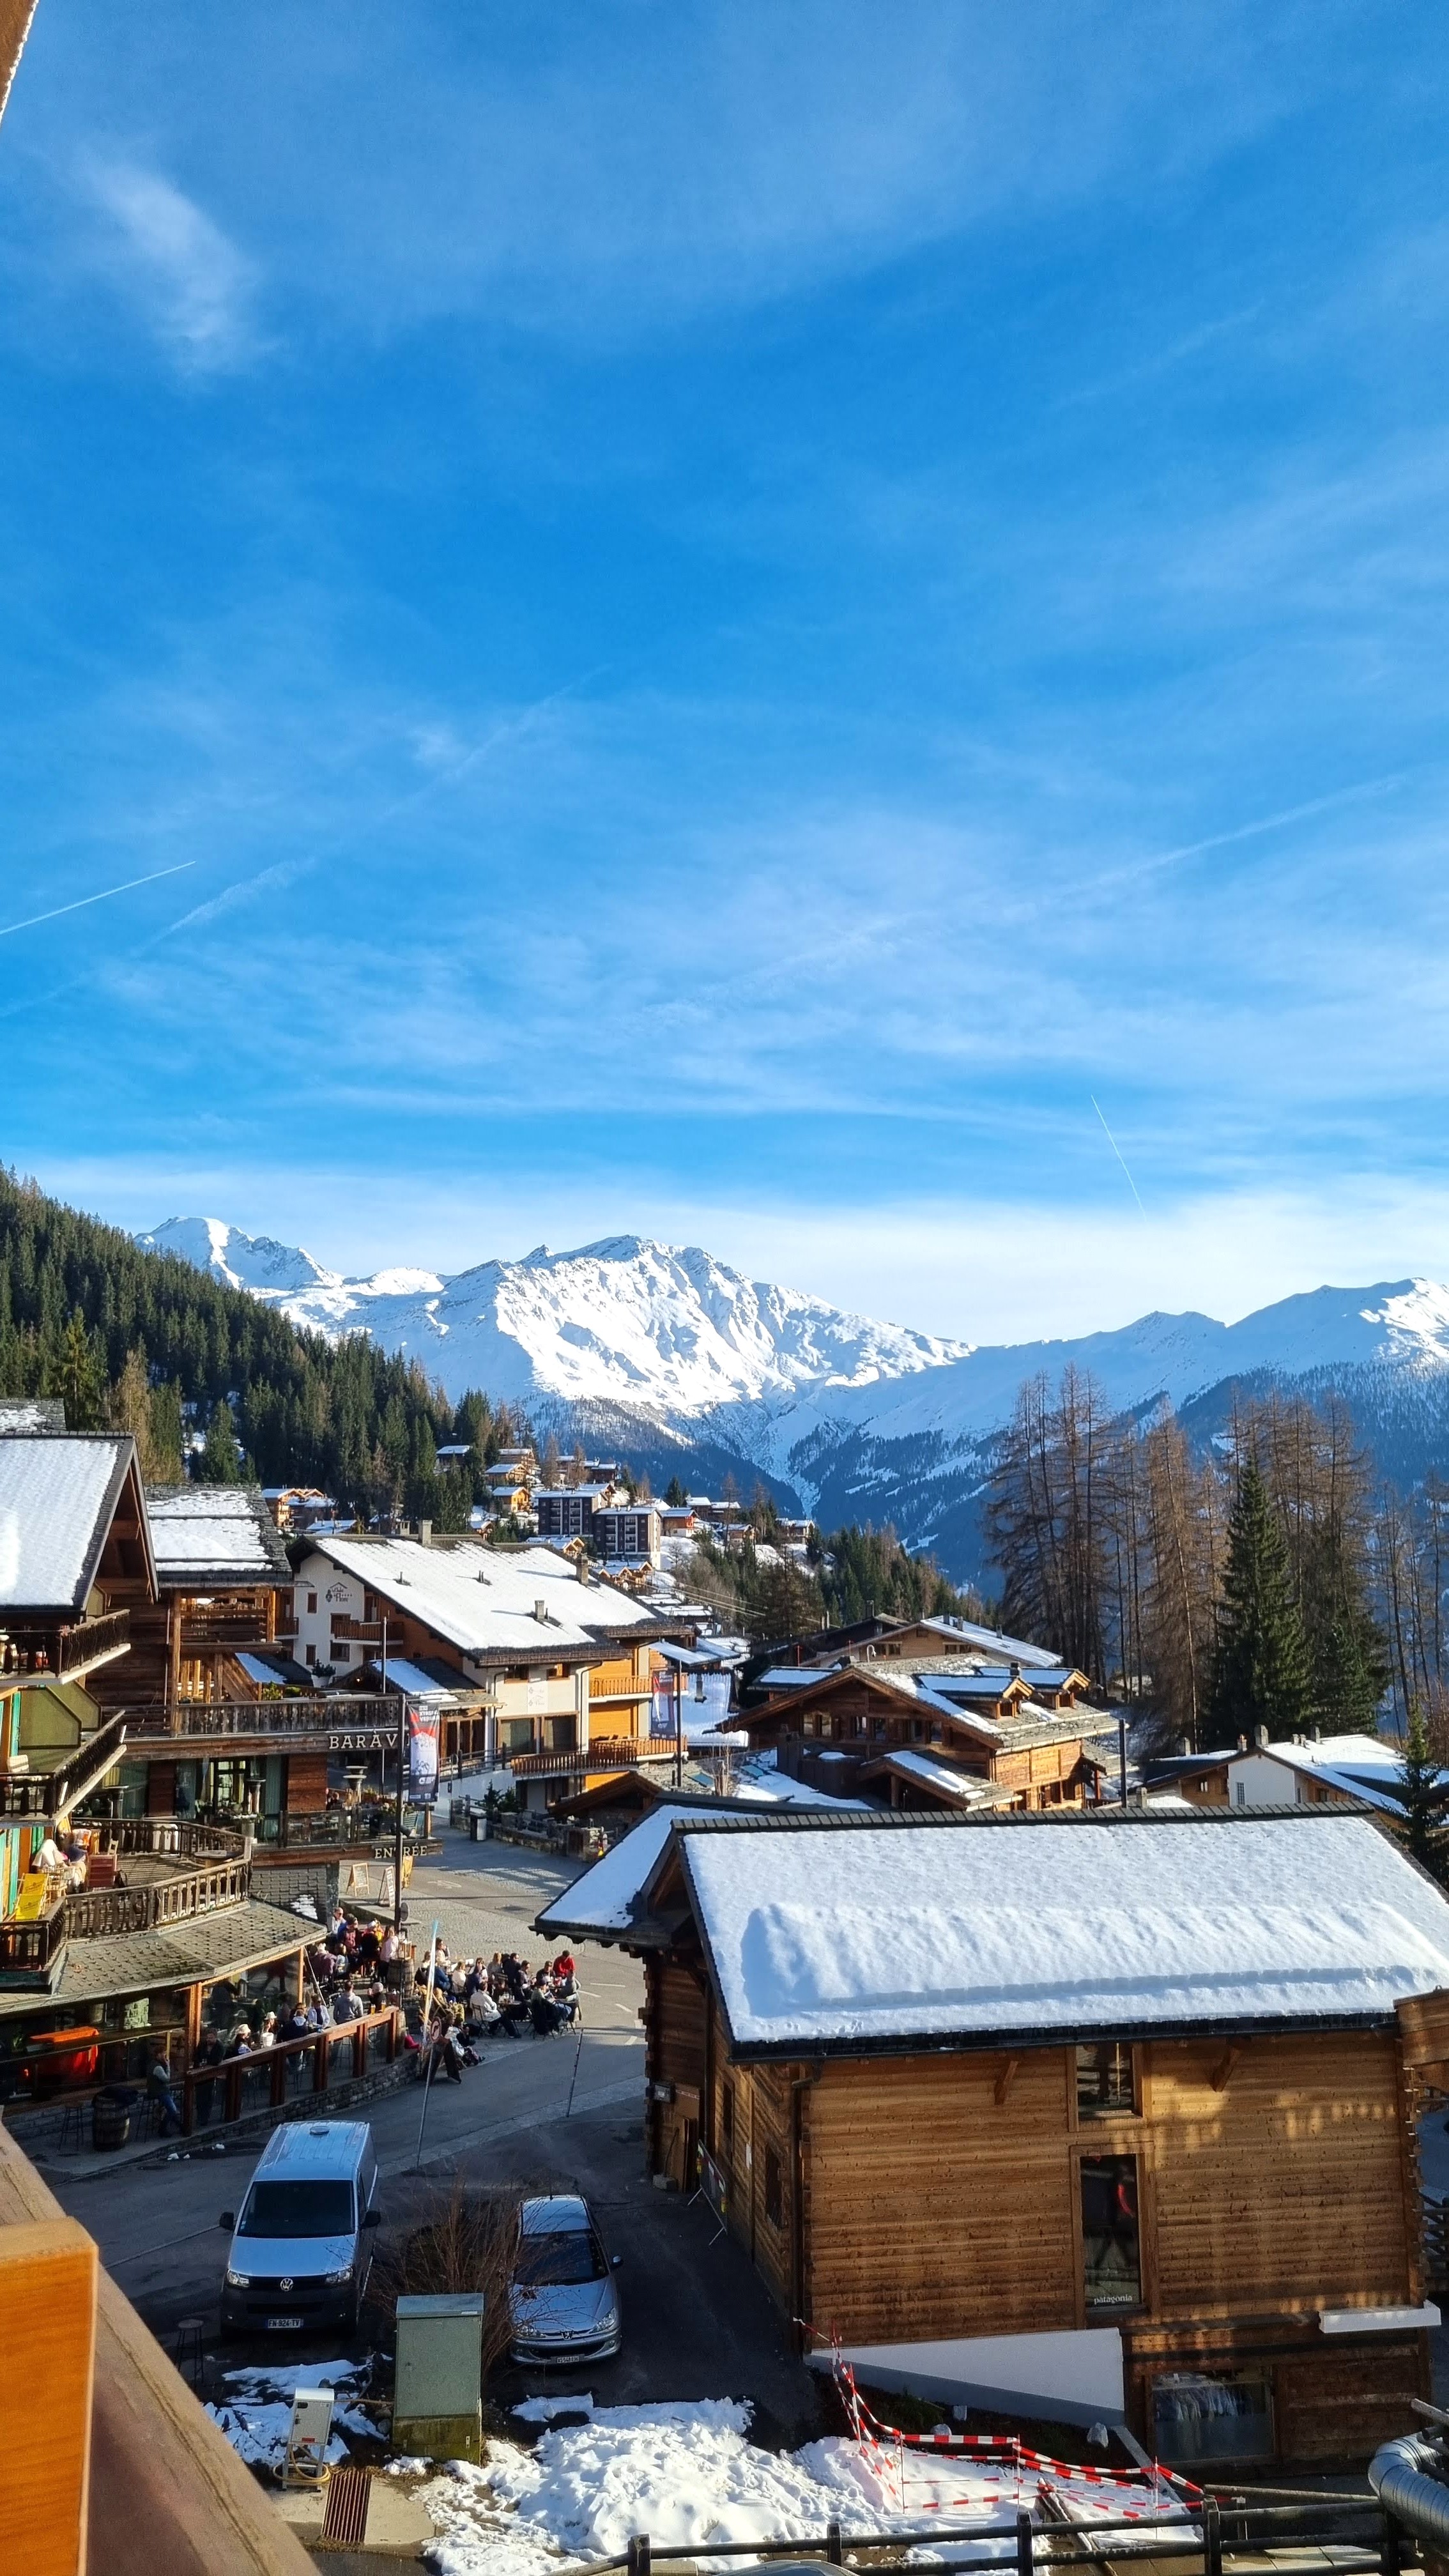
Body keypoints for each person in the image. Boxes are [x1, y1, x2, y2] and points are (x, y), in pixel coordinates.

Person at [146, 2051, 183, 2137]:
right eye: (164, 2054)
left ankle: (181, 2126)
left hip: (156, 2090)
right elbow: (167, 2079)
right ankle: (162, 2129)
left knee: (171, 2108)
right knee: (172, 2109)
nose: (165, 2057)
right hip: (158, 2092)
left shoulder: (152, 2064)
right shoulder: (158, 2067)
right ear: (158, 2055)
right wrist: (168, 2066)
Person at [192, 2030, 224, 2126]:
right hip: (199, 2073)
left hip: (210, 2075)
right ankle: (199, 2117)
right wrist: (199, 2063)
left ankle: (205, 2118)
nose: (208, 2040)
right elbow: (195, 2056)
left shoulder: (219, 2047)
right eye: (208, 2038)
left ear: (215, 2038)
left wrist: (208, 2063)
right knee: (199, 2096)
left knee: (208, 2097)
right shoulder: (202, 2044)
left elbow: (218, 2060)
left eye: (211, 2038)